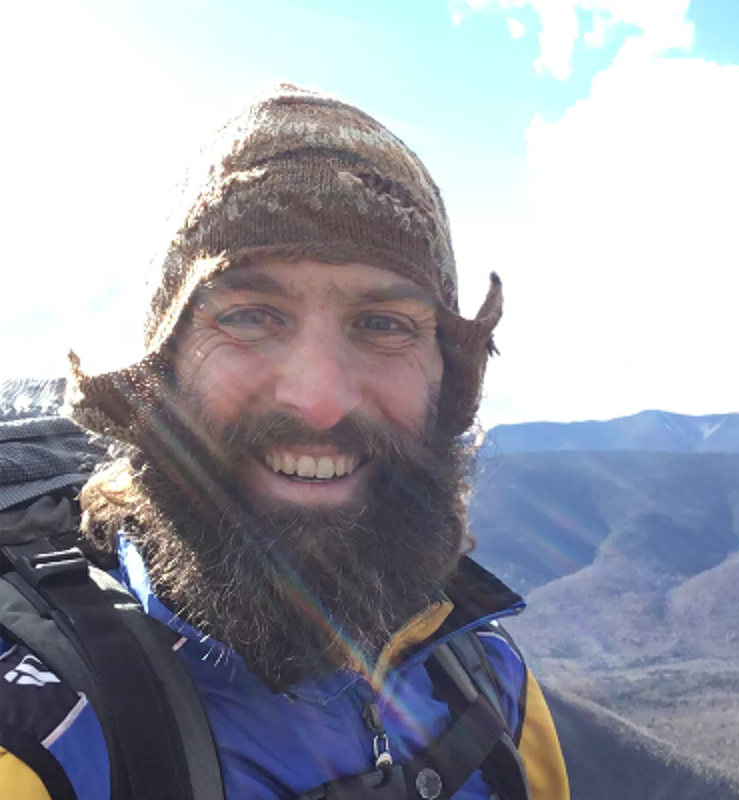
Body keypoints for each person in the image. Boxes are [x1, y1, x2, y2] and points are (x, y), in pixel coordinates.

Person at [0, 84, 569, 799]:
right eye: (249, 315)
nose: (321, 398)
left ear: (444, 382)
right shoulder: (39, 746)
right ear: (163, 372)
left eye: (383, 323)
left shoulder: (490, 689)